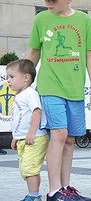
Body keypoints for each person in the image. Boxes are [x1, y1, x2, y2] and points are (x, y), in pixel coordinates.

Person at [27, 0, 91, 201]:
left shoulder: (83, 21)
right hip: (49, 86)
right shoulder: (41, 20)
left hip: (75, 88)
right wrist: (24, 80)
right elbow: (34, 53)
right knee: (59, 133)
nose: (48, 3)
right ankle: (54, 190)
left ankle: (65, 188)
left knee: (69, 139)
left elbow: (89, 54)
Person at [7, 59, 48, 201]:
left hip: (34, 138)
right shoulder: (19, 95)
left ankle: (34, 195)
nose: (8, 81)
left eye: (12, 77)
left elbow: (37, 112)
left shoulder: (30, 94)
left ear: (26, 77)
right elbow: (19, 119)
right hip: (23, 138)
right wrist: (16, 137)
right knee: (26, 168)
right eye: (7, 77)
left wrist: (31, 132)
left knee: (30, 169)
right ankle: (33, 194)